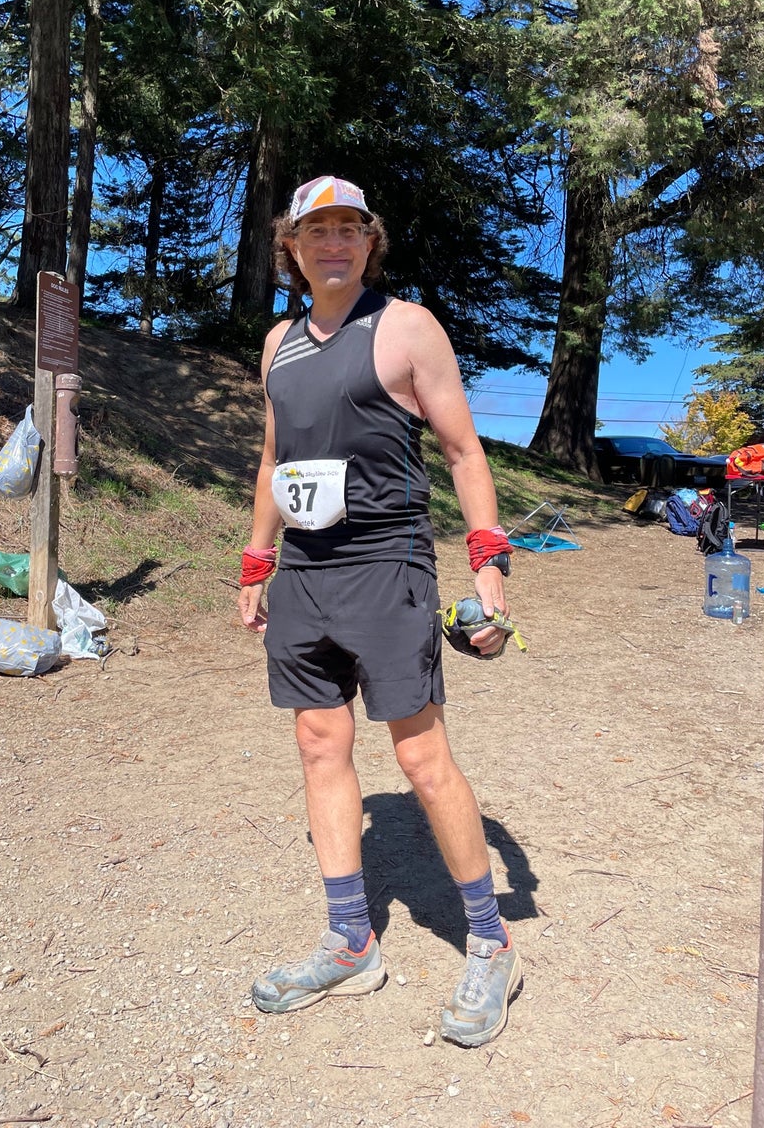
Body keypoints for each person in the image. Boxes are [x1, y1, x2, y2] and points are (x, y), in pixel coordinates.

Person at [237, 174, 522, 1047]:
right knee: (321, 746)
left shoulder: (405, 328)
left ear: (370, 241)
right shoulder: (278, 342)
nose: (333, 243)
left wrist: (490, 567)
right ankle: (350, 939)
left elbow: (465, 451)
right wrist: (257, 558)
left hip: (387, 568)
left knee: (421, 755)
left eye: (349, 229)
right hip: (305, 577)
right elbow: (274, 455)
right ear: (290, 245)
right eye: (315, 230)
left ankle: (491, 936)